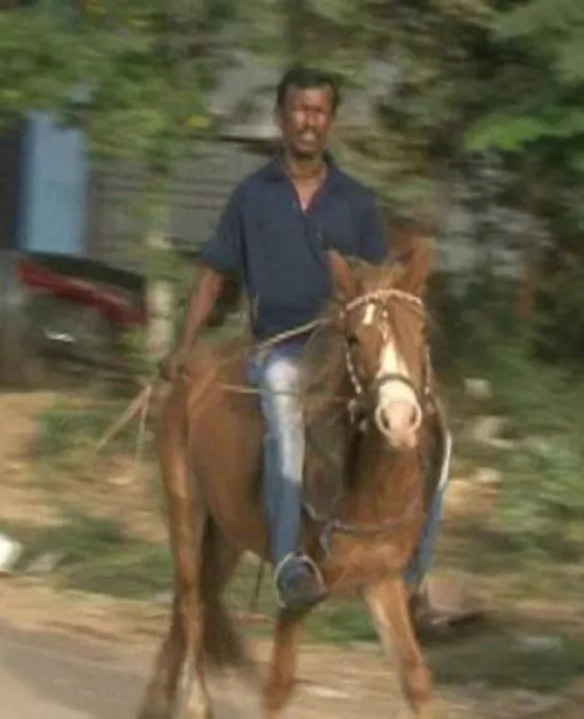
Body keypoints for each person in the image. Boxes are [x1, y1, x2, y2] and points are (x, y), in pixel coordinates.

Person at [159, 64, 388, 612]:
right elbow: (215, 273)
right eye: (298, 110)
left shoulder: (357, 202)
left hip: (344, 354)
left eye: (319, 111)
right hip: (279, 349)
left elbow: (381, 288)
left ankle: (410, 571)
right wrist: (184, 344)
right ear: (281, 118)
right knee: (284, 391)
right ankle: (288, 558)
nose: (308, 121)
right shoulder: (251, 196)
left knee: (414, 416)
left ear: (330, 121)